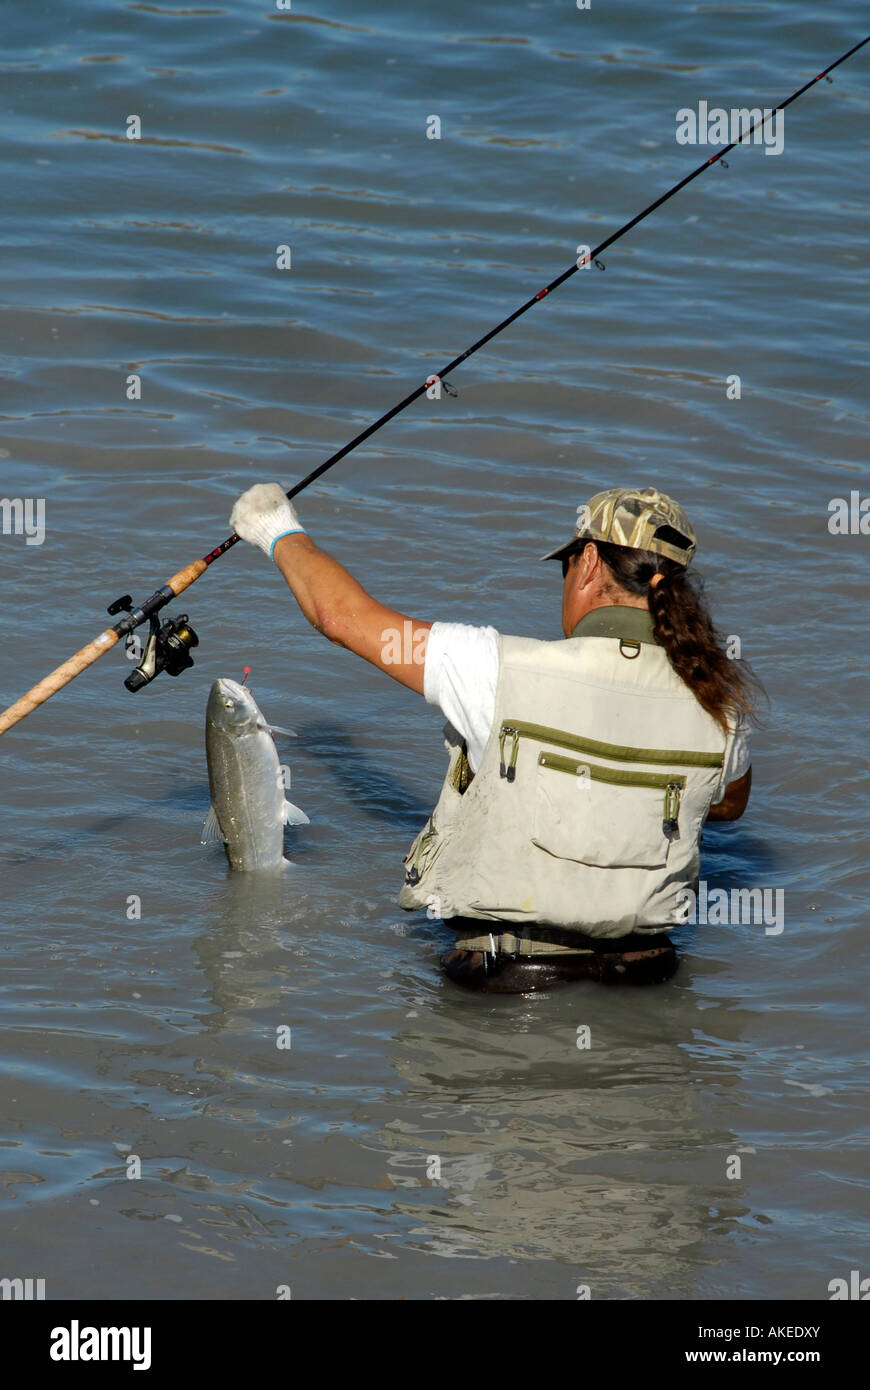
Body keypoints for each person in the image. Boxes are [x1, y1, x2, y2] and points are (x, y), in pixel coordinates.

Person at [229, 483, 757, 993]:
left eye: (568, 566)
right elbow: (728, 803)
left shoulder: (493, 668)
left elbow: (341, 617)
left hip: (512, 983)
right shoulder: (720, 702)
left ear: (590, 562)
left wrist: (277, 528)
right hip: (647, 977)